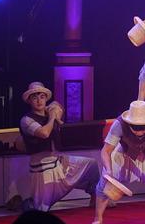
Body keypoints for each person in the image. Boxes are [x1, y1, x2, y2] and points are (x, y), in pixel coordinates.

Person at [19, 82, 98, 212]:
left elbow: (59, 110)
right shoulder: (26, 120)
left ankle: (95, 196)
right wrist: (52, 117)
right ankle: (25, 204)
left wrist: (56, 111)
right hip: (43, 170)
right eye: (35, 97)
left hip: (59, 163)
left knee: (92, 164)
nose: (39, 101)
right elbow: (44, 133)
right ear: (29, 101)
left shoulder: (50, 112)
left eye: (42, 97)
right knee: (39, 210)